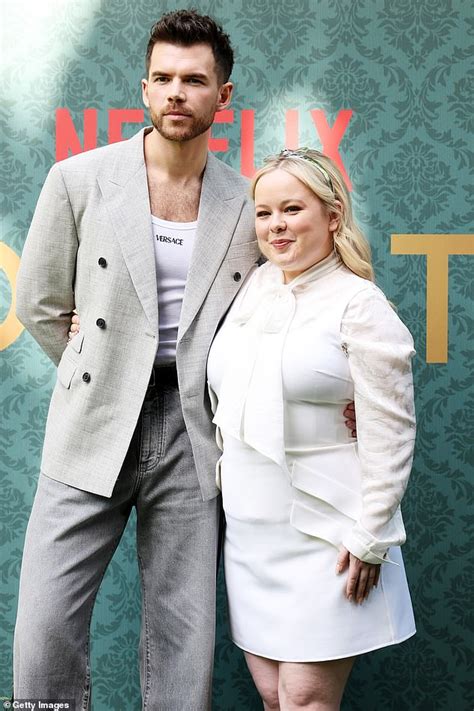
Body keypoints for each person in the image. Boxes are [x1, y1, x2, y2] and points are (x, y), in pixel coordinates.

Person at [13, 10, 260, 710]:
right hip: (94, 412)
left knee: (184, 625)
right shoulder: (79, 179)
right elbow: (37, 300)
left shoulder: (246, 203)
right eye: (163, 79)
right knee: (45, 621)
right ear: (144, 90)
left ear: (224, 96)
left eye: (194, 80)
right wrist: (101, 363)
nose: (177, 92)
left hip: (193, 423)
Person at [206, 148, 417, 710]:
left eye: (292, 209)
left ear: (331, 215)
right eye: (264, 212)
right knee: (275, 697)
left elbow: (391, 433)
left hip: (329, 532)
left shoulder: (359, 304)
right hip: (251, 532)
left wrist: (371, 535)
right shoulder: (249, 289)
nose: (276, 225)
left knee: (305, 700)